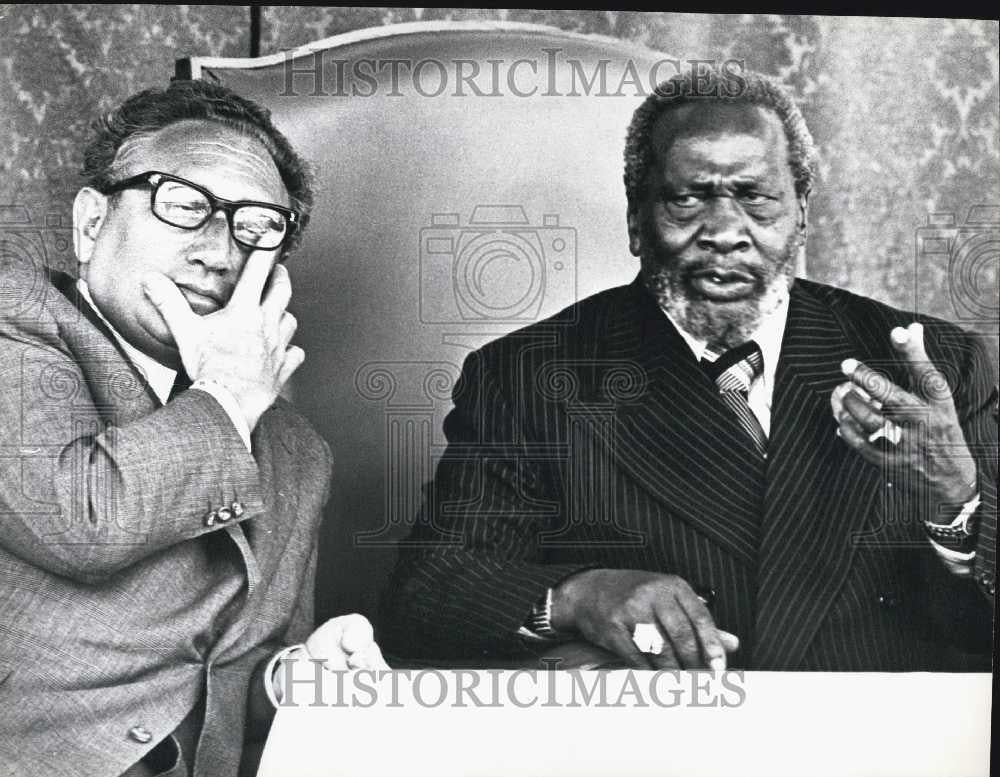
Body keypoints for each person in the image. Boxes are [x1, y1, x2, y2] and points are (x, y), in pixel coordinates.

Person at [385, 67, 996, 671]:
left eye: (756, 198)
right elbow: (428, 595)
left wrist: (959, 498)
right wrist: (576, 597)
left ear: (802, 216)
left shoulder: (938, 367)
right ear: (636, 219)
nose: (726, 232)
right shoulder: (527, 376)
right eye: (688, 198)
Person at [0, 80, 385, 777]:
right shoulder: (15, 323)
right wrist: (230, 396)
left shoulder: (296, 453)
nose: (221, 251)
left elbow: (226, 687)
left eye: (258, 226)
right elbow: (79, 517)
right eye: (184, 205)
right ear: (91, 223)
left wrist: (292, 679)